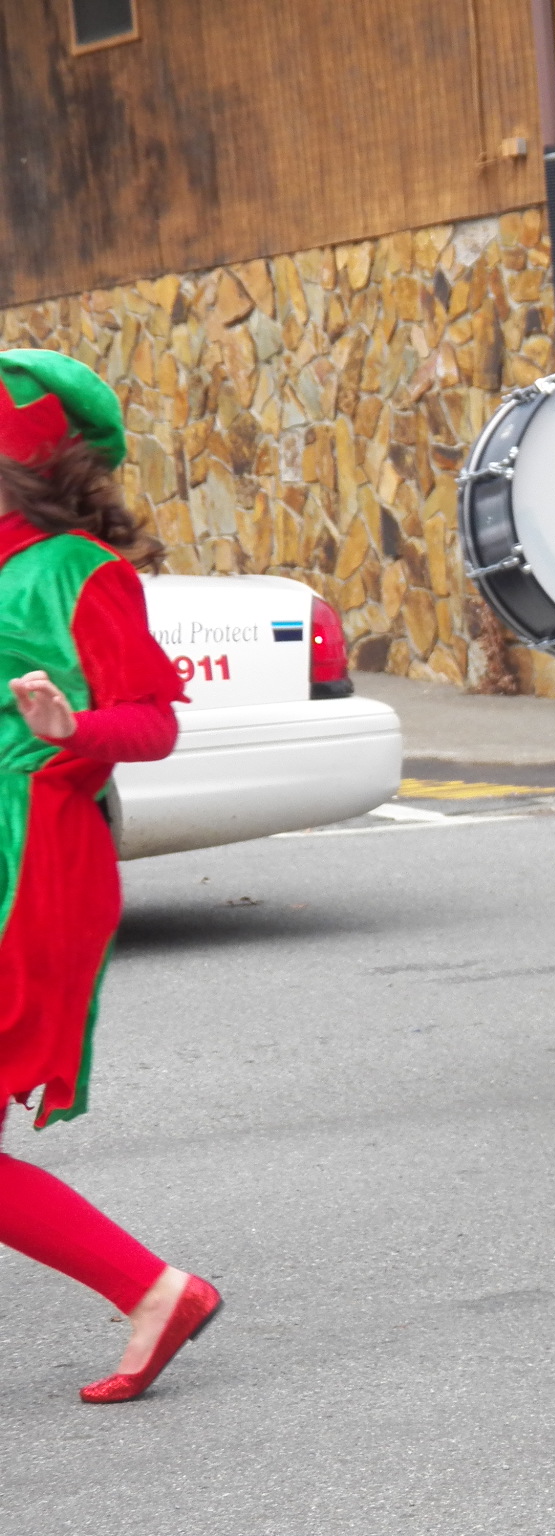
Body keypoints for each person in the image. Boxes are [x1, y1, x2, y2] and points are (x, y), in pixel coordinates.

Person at [0, 348, 222, 1403]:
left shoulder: (78, 571)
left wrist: (68, 723)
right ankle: (151, 1290)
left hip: (28, 864)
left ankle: (150, 1288)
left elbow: (153, 721)